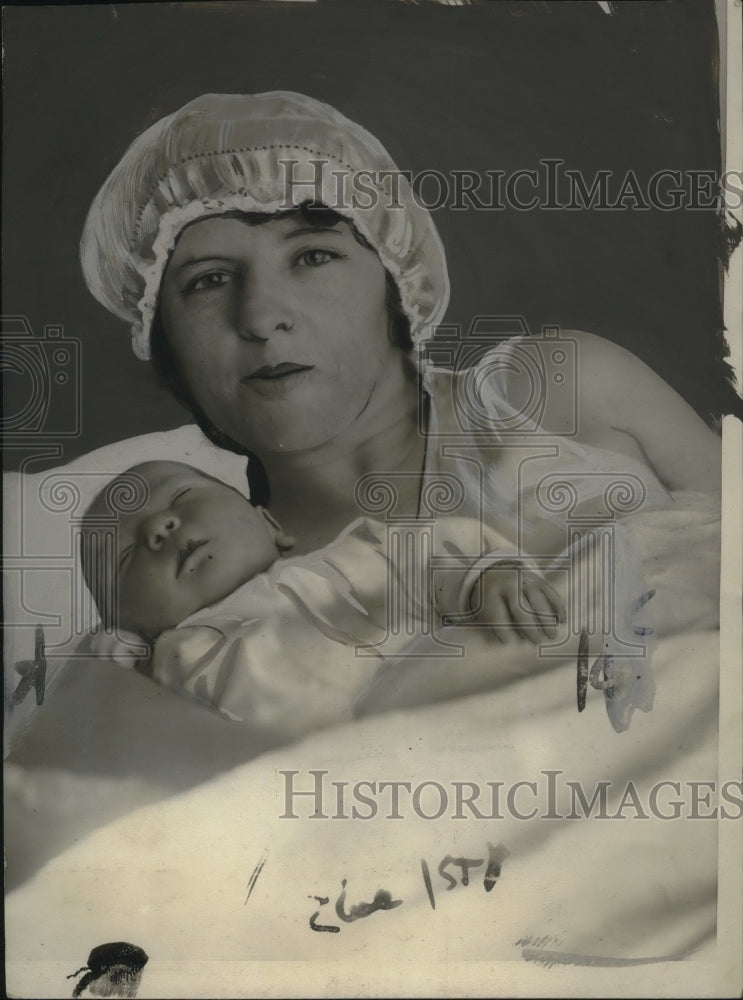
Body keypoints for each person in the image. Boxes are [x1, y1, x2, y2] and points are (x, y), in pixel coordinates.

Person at [78, 91, 720, 712]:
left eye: (313, 255)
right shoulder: (209, 595)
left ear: (393, 278)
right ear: (164, 342)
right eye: (209, 280)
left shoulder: (558, 386)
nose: (263, 315)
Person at [82, 459, 572, 738]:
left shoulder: (355, 554)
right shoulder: (172, 662)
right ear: (128, 625)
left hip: (433, 715)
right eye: (125, 557)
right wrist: (113, 668)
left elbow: (440, 549)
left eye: (181, 497)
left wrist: (489, 574)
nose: (157, 528)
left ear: (270, 525)